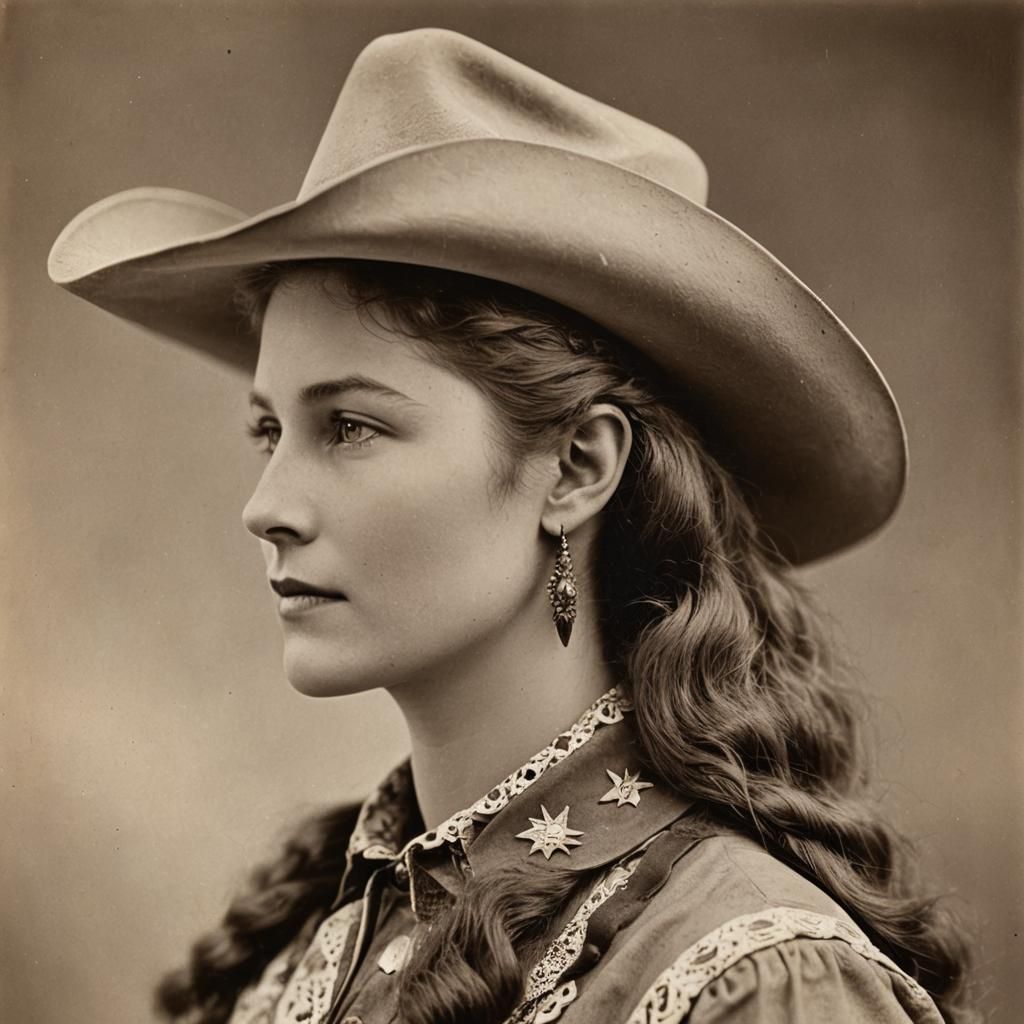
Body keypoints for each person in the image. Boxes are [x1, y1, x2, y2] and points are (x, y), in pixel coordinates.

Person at [48, 28, 973, 1024]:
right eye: (270, 431)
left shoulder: (753, 974)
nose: (265, 507)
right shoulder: (306, 950)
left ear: (577, 468)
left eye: (349, 426)